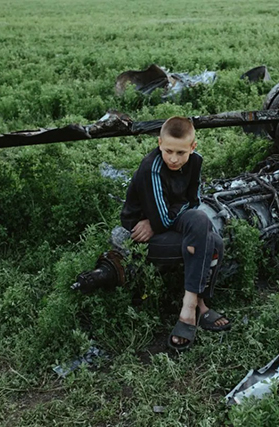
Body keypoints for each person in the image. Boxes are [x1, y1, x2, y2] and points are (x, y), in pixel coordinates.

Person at [120, 116, 230, 350]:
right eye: (168, 150)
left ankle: (190, 306)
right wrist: (156, 221)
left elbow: (194, 202)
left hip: (165, 224)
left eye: (181, 153)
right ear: (159, 143)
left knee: (203, 225)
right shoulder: (152, 167)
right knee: (212, 242)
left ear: (193, 147)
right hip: (143, 236)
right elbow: (163, 219)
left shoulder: (195, 162)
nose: (173, 158)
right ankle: (198, 307)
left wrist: (161, 219)